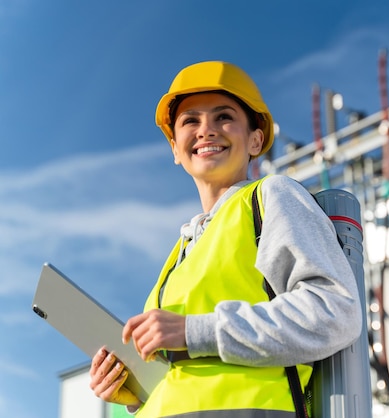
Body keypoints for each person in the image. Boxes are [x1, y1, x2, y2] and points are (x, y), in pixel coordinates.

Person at [88, 61, 362, 417]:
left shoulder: (270, 197)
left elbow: (334, 312)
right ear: (175, 148)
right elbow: (194, 376)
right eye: (190, 121)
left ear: (255, 139)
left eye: (223, 117)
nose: (206, 131)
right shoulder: (179, 255)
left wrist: (194, 331)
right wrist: (138, 393)